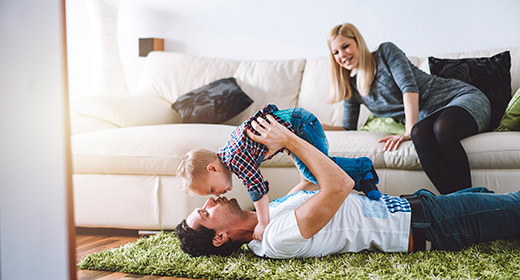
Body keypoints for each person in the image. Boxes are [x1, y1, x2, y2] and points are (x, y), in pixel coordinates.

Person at [175, 114, 520, 258]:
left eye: (204, 202)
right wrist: (291, 140)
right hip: (429, 225)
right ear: (219, 237)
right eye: (204, 212)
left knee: (491, 200)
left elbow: (311, 183)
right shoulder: (276, 237)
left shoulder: (267, 219)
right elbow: (339, 185)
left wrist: (282, 140)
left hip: (413, 205)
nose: (212, 202)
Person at [325, 22, 491, 194]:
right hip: (431, 118)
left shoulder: (385, 52)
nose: (342, 55)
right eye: (336, 52)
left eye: (346, 46)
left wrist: (408, 130)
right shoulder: (351, 88)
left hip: (464, 99)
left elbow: (409, 88)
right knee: (419, 133)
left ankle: (473, 200)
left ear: (358, 43)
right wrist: (315, 124)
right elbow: (347, 127)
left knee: (439, 128)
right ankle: (457, 203)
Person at [177, 104, 381, 241]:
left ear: (212, 168)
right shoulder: (231, 151)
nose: (217, 195)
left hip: (299, 124)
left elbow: (257, 189)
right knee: (310, 175)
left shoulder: (235, 160)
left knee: (319, 170)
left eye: (212, 189)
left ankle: (362, 167)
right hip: (295, 122)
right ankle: (364, 178)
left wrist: (263, 223)